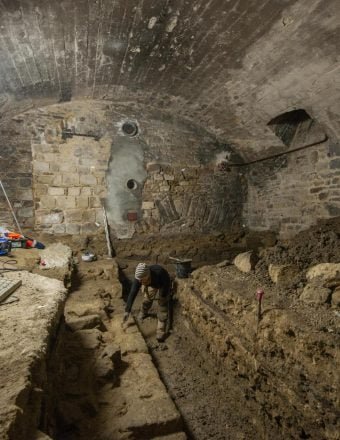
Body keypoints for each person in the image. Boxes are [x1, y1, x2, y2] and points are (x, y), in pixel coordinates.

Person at [123, 263, 171, 342]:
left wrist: (162, 297)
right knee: (147, 300)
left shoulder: (160, 273)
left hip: (162, 283)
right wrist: (127, 310)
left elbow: (165, 288)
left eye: (141, 280)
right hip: (151, 283)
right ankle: (143, 312)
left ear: (147, 276)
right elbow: (132, 293)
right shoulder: (139, 277)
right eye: (139, 280)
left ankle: (161, 329)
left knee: (162, 305)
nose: (139, 282)